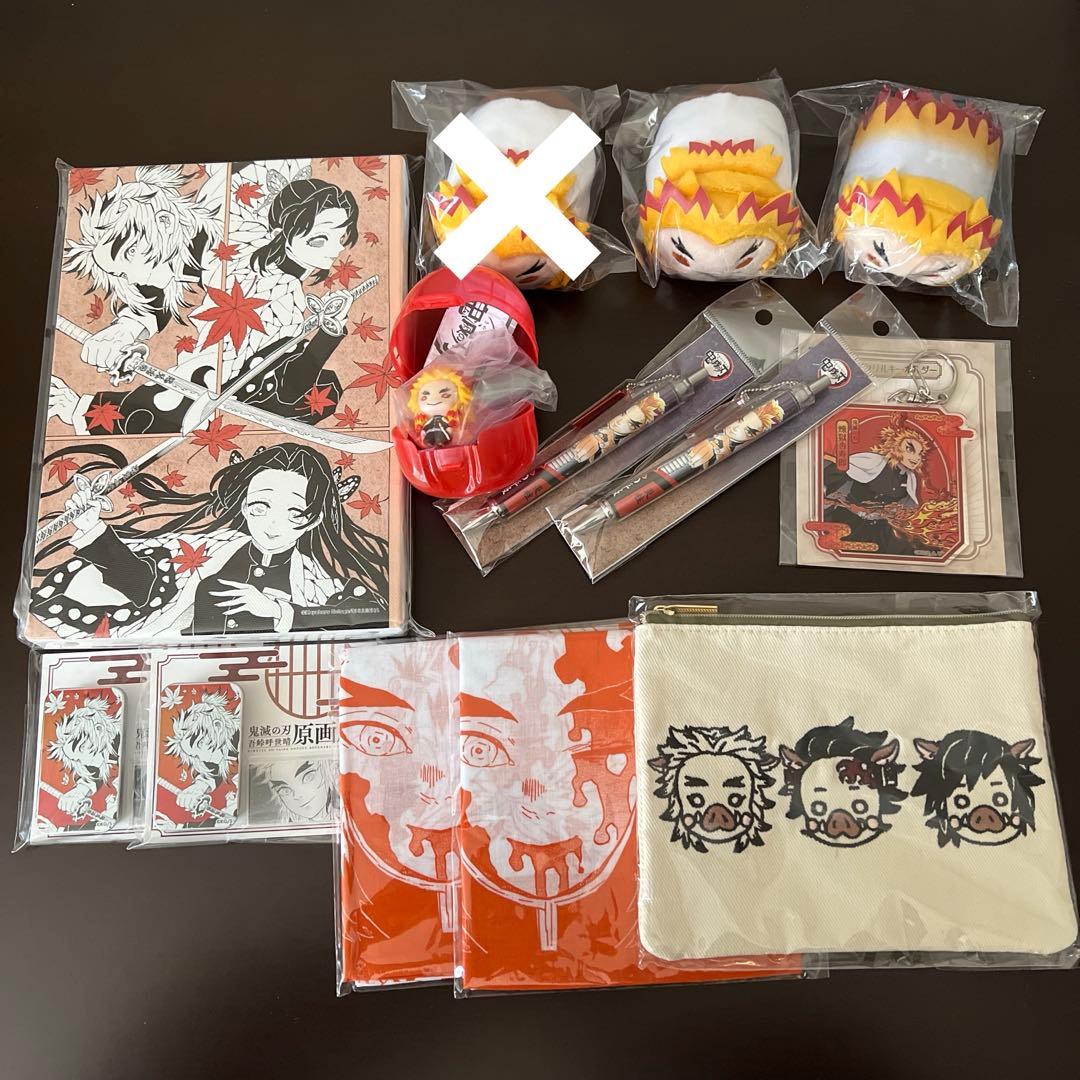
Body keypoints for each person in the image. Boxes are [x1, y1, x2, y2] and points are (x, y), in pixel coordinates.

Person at [51, 166, 367, 434]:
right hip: (269, 363)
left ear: (164, 222)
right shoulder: (208, 232)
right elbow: (159, 288)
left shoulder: (240, 261)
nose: (132, 277)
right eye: (118, 272)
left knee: (215, 382)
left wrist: (85, 410)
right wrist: (125, 330)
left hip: (269, 370)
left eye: (131, 254)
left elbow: (197, 381)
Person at [31, 442, 389, 639]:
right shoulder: (208, 551)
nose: (273, 524)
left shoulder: (318, 579)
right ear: (244, 506)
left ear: (314, 519)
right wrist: (94, 529)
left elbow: (374, 614)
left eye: (294, 512)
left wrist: (278, 610)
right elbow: (143, 587)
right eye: (261, 506)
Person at [823, 420, 931, 554]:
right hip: (848, 519)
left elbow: (909, 507)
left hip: (880, 527)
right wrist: (824, 493)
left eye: (920, 453)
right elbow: (834, 472)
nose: (917, 457)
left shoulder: (910, 478)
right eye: (910, 449)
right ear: (895, 446)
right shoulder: (874, 461)